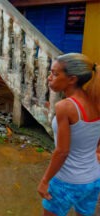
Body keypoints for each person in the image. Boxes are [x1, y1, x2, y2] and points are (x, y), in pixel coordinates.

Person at [37, 53, 100, 216]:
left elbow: (62, 151)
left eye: (55, 74)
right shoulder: (95, 101)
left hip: (67, 181)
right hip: (93, 179)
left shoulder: (65, 107)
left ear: (72, 79)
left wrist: (45, 181)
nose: (50, 78)